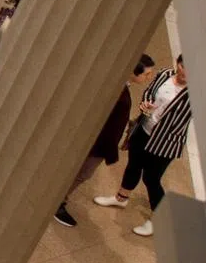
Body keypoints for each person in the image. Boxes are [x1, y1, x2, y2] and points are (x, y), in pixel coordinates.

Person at [95, 56, 192, 238]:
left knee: (151, 178)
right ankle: (121, 198)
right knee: (133, 165)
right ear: (178, 65)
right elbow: (149, 91)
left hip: (166, 142)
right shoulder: (164, 74)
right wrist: (145, 104)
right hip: (144, 129)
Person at [59, 57, 151, 226]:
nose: (148, 78)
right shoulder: (119, 93)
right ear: (133, 72)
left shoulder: (120, 87)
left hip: (97, 142)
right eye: (146, 74)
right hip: (98, 144)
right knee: (82, 174)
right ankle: (57, 202)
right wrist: (110, 150)